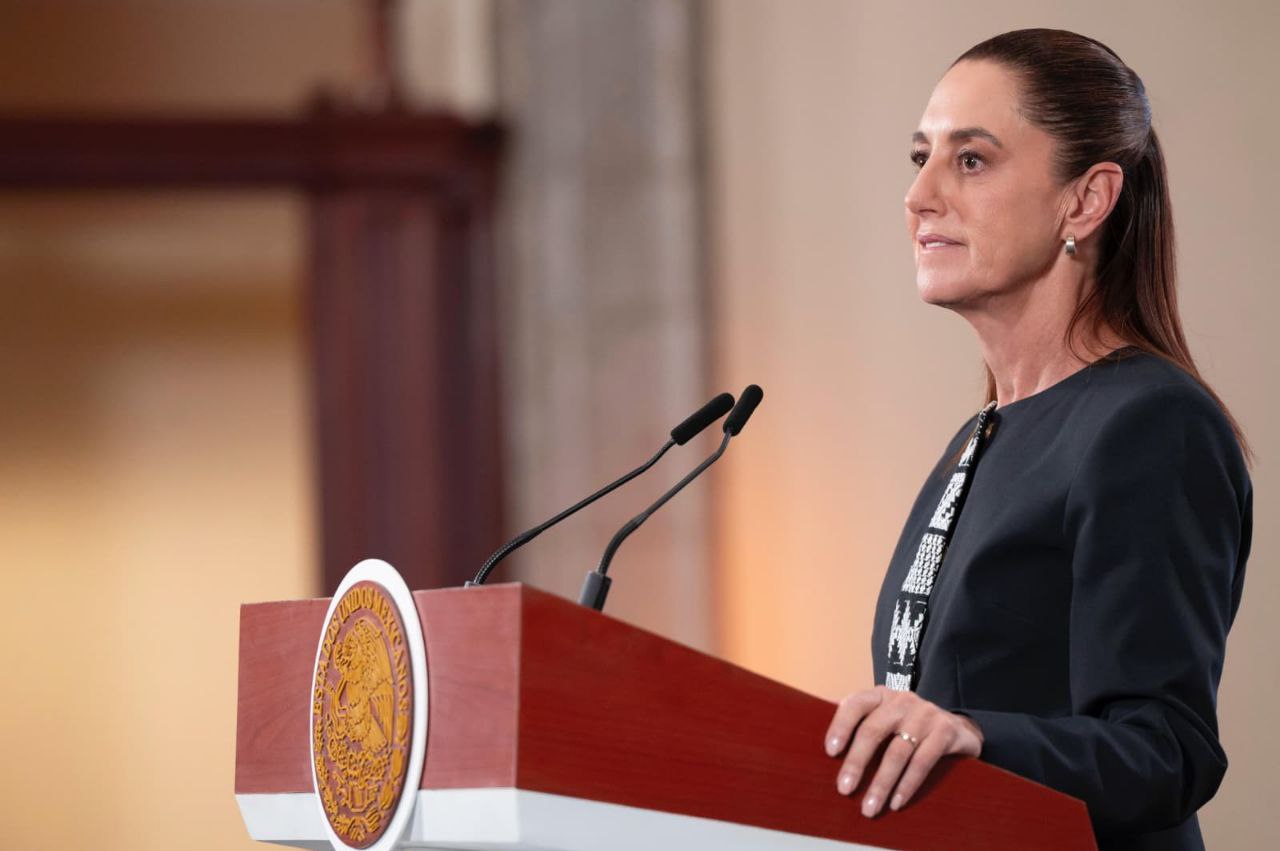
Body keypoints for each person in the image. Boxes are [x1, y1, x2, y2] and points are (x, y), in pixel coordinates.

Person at [821, 29, 1253, 851]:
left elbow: (1165, 752)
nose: (919, 195)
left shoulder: (1152, 424)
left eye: (971, 159)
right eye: (919, 157)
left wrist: (976, 737)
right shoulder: (982, 434)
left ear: (1085, 201)